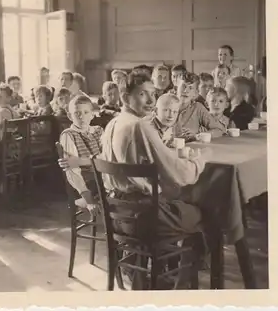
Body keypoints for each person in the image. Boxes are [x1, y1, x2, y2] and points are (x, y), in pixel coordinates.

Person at [60, 74, 212, 288]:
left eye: (153, 94)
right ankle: (180, 285)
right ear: (125, 97)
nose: (151, 101)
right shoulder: (140, 127)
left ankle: (151, 276)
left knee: (173, 201)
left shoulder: (113, 124)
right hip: (143, 217)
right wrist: (201, 160)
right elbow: (179, 173)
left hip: (117, 215)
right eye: (143, 94)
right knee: (204, 213)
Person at [59, 95, 103, 214]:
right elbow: (73, 170)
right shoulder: (69, 135)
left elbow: (107, 158)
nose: (81, 116)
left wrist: (82, 160)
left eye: (85, 112)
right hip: (87, 184)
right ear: (69, 116)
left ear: (92, 114)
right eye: (77, 113)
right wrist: (89, 200)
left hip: (104, 177)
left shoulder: (98, 131)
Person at [174, 72, 226, 141]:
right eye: (183, 86)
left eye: (190, 88)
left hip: (190, 149)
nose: (186, 90)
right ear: (176, 87)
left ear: (195, 93)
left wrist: (198, 136)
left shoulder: (198, 108)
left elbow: (220, 129)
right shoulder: (165, 103)